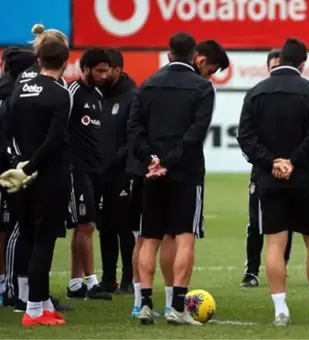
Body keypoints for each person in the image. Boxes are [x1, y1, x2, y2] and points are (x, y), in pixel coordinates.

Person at [237, 38, 309, 327]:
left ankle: (280, 310)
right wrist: (294, 160)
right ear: (302, 64)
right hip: (305, 178)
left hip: (269, 181)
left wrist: (273, 161)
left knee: (274, 243)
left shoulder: (257, 92)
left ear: (279, 60)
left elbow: (245, 137)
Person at [129, 32, 215, 326]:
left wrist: (151, 159)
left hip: (152, 173)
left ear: (168, 54)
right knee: (184, 239)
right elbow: (196, 134)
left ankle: (144, 304)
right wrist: (169, 161)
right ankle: (177, 306)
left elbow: (135, 129)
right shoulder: (202, 87)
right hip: (186, 173)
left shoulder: (148, 83)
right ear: (194, 56)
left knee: (149, 239)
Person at [0, 40, 72, 326]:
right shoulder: (60, 93)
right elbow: (54, 140)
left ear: (39, 60)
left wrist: (16, 162)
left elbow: (6, 130)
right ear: (65, 62)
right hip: (49, 176)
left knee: (29, 234)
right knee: (44, 240)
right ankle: (33, 310)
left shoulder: (19, 90)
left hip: (21, 176)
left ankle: (40, 303)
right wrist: (30, 167)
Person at [240, 48, 294, 288]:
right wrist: (269, 161)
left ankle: (280, 266)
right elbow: (247, 137)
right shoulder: (259, 96)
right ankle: (251, 271)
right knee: (255, 223)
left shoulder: (295, 96)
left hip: (293, 169)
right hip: (263, 170)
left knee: (287, 222)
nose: (276, 70)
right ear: (267, 67)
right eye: (272, 66)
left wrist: (290, 162)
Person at [65, 47, 113, 301]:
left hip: (95, 170)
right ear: (84, 69)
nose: (104, 75)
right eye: (99, 71)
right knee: (86, 225)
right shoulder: (71, 93)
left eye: (106, 71)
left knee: (82, 227)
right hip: (76, 169)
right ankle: (92, 282)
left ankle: (75, 283)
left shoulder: (97, 95)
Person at [97, 48, 137, 294]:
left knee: (125, 228)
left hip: (123, 173)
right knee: (105, 227)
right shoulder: (96, 96)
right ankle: (108, 278)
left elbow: (132, 139)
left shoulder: (133, 96)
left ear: (117, 70)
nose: (101, 75)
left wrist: (111, 162)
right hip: (99, 175)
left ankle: (129, 279)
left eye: (106, 69)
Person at [0, 47, 36, 307]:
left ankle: (13, 286)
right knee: (13, 228)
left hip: (13, 167)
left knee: (13, 228)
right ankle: (11, 288)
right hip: (10, 170)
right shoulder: (12, 97)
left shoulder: (16, 95)